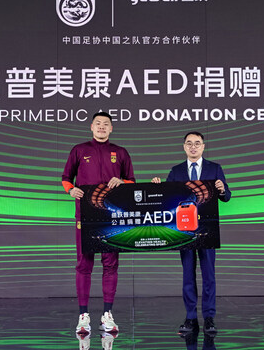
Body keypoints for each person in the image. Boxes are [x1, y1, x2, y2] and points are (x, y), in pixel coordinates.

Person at [62, 111, 135, 335]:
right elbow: (66, 178)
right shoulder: (79, 150)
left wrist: (121, 182)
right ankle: (83, 316)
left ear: (111, 128)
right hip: (85, 215)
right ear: (91, 127)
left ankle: (107, 315)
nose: (102, 127)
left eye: (106, 124)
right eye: (98, 123)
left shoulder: (120, 152)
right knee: (84, 264)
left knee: (110, 264)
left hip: (111, 215)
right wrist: (71, 190)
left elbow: (131, 181)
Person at [152, 131, 231, 336]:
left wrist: (222, 189)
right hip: (184, 230)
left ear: (203, 146)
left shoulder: (215, 168)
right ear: (184, 147)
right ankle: (190, 317)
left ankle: (209, 318)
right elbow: (166, 199)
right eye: (189, 143)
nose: (193, 147)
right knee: (188, 275)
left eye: (197, 143)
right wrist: (158, 188)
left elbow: (226, 197)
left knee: (209, 275)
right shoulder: (176, 171)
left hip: (207, 230)